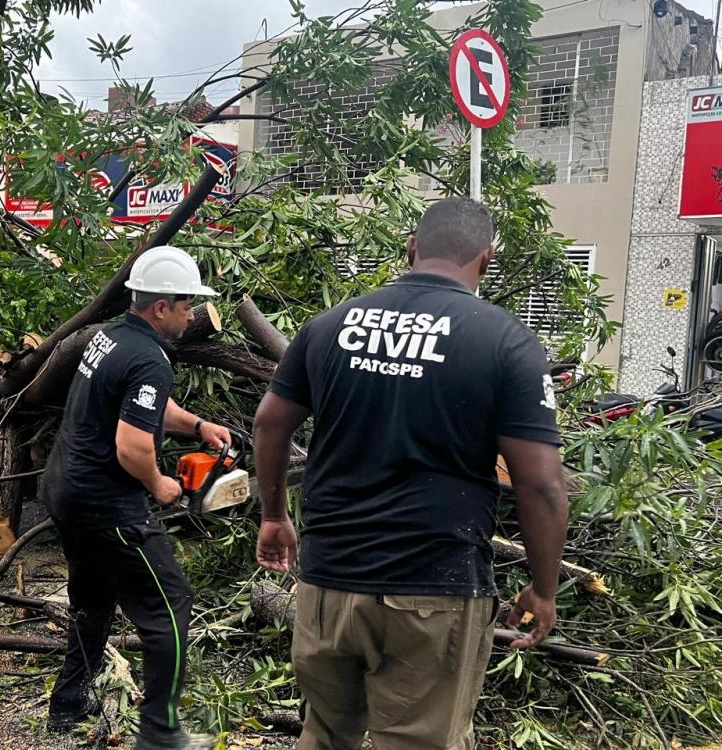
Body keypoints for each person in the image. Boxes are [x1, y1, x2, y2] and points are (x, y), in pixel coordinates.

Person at [252, 197, 569, 750]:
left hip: (329, 581)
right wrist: (544, 588)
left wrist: (275, 515)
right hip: (434, 589)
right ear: (486, 261)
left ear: (411, 249)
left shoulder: (330, 325)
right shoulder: (503, 339)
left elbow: (270, 424)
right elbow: (541, 485)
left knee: (325, 735)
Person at [41, 245, 230, 750]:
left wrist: (197, 425)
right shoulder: (150, 357)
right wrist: (160, 484)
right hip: (108, 505)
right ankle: (161, 733)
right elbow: (131, 446)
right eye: (186, 306)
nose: (191, 315)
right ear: (160, 307)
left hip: (65, 491)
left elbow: (144, 404)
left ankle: (67, 705)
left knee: (94, 600)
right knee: (170, 604)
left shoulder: (111, 338)